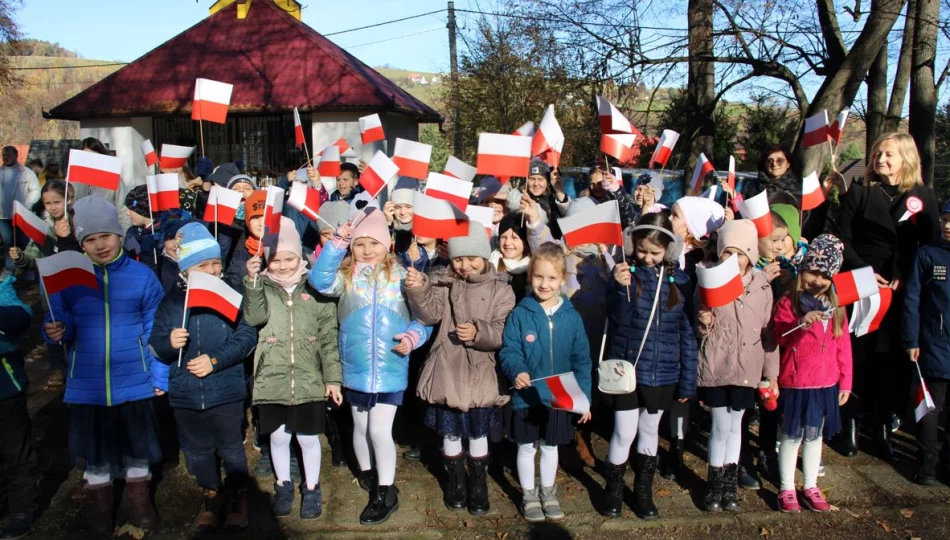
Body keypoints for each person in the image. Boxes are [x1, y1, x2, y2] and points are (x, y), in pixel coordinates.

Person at [41, 196, 166, 536]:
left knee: (136, 446)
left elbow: (156, 329)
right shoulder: (68, 279)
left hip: (133, 377)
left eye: (105, 236)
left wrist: (158, 374)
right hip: (88, 382)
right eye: (90, 239)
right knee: (95, 450)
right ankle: (101, 504)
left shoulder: (142, 276)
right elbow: (60, 322)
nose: (99, 245)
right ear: (81, 243)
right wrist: (55, 331)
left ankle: (140, 498)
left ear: (119, 235)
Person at [309, 208, 431, 526]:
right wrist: (337, 242)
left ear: (388, 244)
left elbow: (424, 319)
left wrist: (412, 337)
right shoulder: (346, 278)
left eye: (374, 243)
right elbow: (319, 279)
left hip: (390, 369)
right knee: (360, 428)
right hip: (356, 369)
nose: (367, 250)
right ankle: (367, 472)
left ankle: (386, 492)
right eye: (360, 243)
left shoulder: (403, 278)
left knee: (379, 430)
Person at [830, 132, 940, 459]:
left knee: (890, 363)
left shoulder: (923, 197)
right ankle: (848, 423)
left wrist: (908, 276)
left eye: (888, 155)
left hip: (902, 290)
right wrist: (863, 270)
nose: (880, 160)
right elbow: (840, 239)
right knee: (858, 356)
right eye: (877, 154)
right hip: (862, 285)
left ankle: (880, 428)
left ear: (906, 158)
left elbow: (930, 245)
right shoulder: (860, 193)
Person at [149, 223, 257, 531]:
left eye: (215, 263)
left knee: (230, 446)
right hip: (185, 392)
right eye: (202, 265)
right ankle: (211, 493)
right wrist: (168, 343)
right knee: (197, 451)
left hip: (225, 389)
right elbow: (156, 343)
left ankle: (237, 494)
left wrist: (215, 360)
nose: (211, 270)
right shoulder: (171, 303)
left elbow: (246, 337)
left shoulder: (231, 294)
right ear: (185, 269)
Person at [404, 222, 515, 515]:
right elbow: (429, 314)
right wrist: (418, 289)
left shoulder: (501, 290)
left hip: (481, 372)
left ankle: (478, 483)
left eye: (471, 258)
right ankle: (455, 482)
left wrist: (480, 333)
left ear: (484, 257)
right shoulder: (443, 282)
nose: (464, 265)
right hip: (448, 370)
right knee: (450, 433)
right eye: (458, 258)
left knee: (478, 434)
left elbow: (504, 330)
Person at [243, 217, 342, 520]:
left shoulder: (315, 289)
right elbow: (254, 318)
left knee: (308, 438)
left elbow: (327, 338)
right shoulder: (263, 286)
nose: (283, 266)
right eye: (276, 260)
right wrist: (252, 282)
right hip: (272, 375)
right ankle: (283, 484)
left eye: (289, 259)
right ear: (265, 260)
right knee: (278, 436)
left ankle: (311, 488)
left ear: (300, 257)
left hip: (309, 377)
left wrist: (333, 379)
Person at [601, 213, 697, 520]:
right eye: (642, 250)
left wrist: (687, 381)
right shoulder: (626, 275)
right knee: (623, 431)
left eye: (655, 253)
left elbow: (686, 333)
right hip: (628, 370)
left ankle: (643, 489)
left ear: (669, 250)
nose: (648, 258)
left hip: (664, 371)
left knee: (649, 431)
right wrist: (618, 288)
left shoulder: (680, 282)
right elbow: (618, 321)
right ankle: (614, 488)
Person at [500, 242, 592, 523]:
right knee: (527, 447)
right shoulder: (520, 313)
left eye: (552, 278)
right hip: (527, 396)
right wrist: (516, 369)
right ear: (530, 277)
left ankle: (548, 492)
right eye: (538, 276)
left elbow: (582, 360)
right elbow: (510, 350)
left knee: (551, 447)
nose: (544, 283)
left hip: (559, 396)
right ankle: (529, 494)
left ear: (562, 280)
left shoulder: (572, 317)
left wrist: (584, 399)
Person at [696, 219, 778, 513]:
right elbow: (699, 326)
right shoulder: (708, 280)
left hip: (747, 368)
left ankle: (730, 483)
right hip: (718, 365)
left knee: (736, 425)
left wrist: (771, 375)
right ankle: (714, 483)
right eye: (726, 253)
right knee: (720, 426)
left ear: (751, 255)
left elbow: (769, 333)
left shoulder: (762, 287)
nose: (733, 260)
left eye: (740, 253)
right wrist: (704, 322)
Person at [772, 234, 852, 512]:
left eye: (824, 275)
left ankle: (810, 485)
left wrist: (846, 382)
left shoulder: (836, 307)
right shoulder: (788, 303)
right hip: (796, 382)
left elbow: (843, 346)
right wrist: (801, 323)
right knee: (791, 436)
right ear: (802, 270)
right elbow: (780, 336)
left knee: (814, 436)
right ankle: (785, 487)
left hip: (825, 383)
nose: (817, 280)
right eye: (812, 272)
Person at [8, 180, 78, 387]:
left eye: (58, 201)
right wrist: (20, 257)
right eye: (48, 203)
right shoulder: (42, 227)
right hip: (51, 285)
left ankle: (78, 361)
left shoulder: (80, 221)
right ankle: (58, 365)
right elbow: (32, 257)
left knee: (77, 321)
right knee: (53, 322)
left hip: (78, 283)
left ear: (69, 199)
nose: (53, 207)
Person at [902, 200, 950, 485]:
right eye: (945, 219)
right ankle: (927, 467)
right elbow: (912, 300)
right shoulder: (927, 255)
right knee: (930, 410)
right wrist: (911, 339)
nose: (947, 225)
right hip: (934, 346)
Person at [0, 270, 39, 539]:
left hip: (5, 390)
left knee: (16, 453)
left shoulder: (3, 289)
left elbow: (21, 316)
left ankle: (21, 509)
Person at [0, 146, 41, 256]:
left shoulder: (27, 173)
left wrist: (26, 205)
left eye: (9, 155)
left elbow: (36, 190)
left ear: (16, 156)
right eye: (4, 155)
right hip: (3, 217)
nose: (6, 157)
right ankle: (10, 268)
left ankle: (24, 267)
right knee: (8, 242)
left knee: (24, 243)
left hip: (22, 215)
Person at [223, 190, 265, 293]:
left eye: (266, 217)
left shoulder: (285, 246)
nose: (261, 223)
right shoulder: (239, 246)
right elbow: (234, 283)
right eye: (255, 218)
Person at [490, 212, 531, 302]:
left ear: (524, 241)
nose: (507, 243)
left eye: (514, 237)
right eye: (504, 237)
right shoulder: (491, 265)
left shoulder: (532, 268)